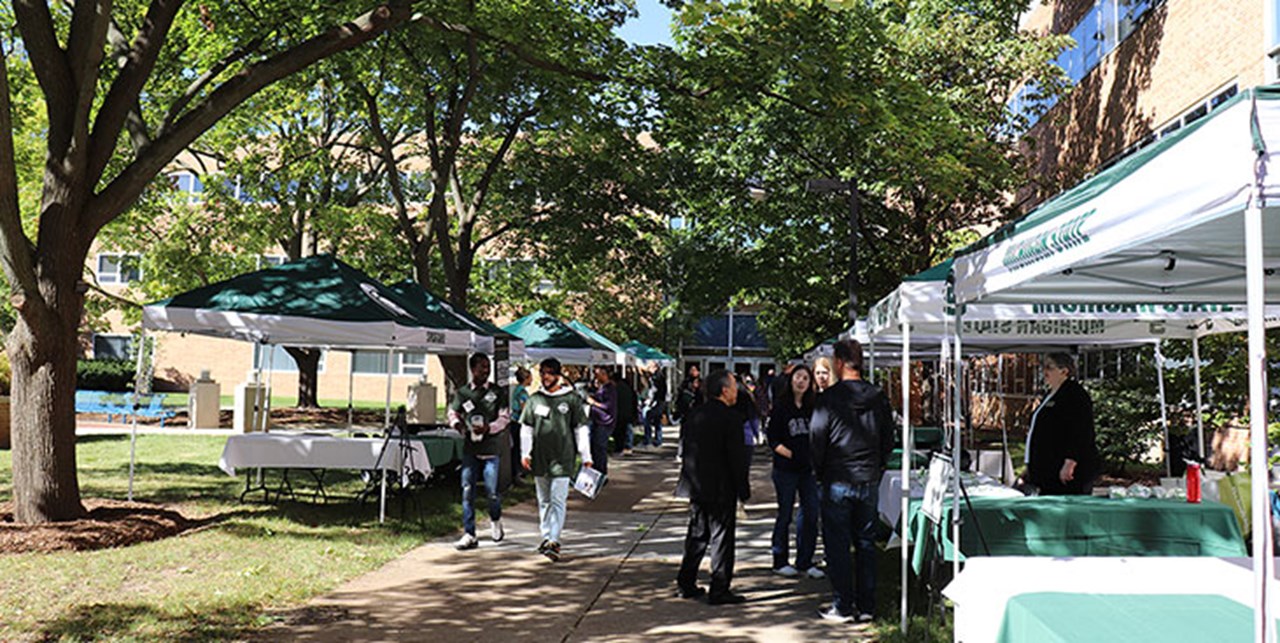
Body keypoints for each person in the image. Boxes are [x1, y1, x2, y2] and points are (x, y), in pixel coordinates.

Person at [810, 339, 894, 623]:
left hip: (837, 478)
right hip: (867, 477)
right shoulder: (878, 396)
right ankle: (867, 606)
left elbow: (816, 440)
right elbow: (889, 439)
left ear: (839, 362)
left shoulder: (828, 398)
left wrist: (819, 472)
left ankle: (843, 604)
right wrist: (878, 466)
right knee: (866, 543)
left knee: (838, 545)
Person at [676, 369, 751, 605]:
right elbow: (736, 457)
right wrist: (743, 488)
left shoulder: (694, 415)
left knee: (697, 534)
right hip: (721, 487)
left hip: (697, 484)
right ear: (724, 390)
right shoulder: (731, 419)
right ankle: (719, 588)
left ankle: (686, 582)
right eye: (734, 386)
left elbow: (685, 449)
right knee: (721, 537)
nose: (737, 390)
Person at [519, 358, 593, 562]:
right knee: (543, 500)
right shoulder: (535, 399)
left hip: (563, 458)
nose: (545, 376)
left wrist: (586, 456)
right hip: (540, 458)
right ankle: (545, 536)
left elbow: (581, 429)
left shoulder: (571, 399)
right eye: (542, 372)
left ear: (558, 375)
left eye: (550, 373)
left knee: (557, 499)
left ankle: (554, 540)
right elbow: (526, 428)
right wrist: (525, 453)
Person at [448, 354, 511, 550]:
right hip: (470, 450)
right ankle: (469, 533)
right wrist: (457, 424)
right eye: (482, 367)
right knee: (467, 491)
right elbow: (453, 412)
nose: (486, 370)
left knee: (492, 492)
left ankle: (495, 520)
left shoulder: (498, 392)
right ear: (473, 369)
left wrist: (489, 428)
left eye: (488, 367)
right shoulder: (463, 393)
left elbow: (505, 417)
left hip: (491, 450)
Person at [767, 365, 824, 580]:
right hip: (785, 470)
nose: (801, 382)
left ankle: (805, 560)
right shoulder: (782, 407)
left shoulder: (813, 407)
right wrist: (790, 454)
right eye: (798, 377)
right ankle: (779, 559)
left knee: (810, 513)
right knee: (785, 513)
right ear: (791, 380)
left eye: (805, 378)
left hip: (808, 470)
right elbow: (773, 439)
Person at [1024, 352, 1100, 496]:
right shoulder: (1051, 394)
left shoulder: (1075, 394)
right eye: (1043, 367)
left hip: (1066, 472)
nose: (1044, 371)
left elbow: (1081, 431)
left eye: (1049, 367)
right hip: (1048, 469)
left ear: (1064, 371)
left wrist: (1070, 463)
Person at [585, 365, 617, 475]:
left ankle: (601, 472)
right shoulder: (602, 387)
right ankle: (595, 471)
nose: (595, 377)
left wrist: (593, 402)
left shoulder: (610, 389)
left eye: (597, 374)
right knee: (594, 447)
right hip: (597, 420)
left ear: (604, 375)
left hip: (604, 422)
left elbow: (608, 406)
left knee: (599, 447)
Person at [510, 366, 533, 482]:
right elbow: (525, 408)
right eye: (530, 377)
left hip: (514, 421)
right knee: (519, 447)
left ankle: (517, 471)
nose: (532, 380)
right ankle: (518, 472)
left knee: (516, 447)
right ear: (526, 378)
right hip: (519, 422)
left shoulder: (517, 389)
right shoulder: (522, 392)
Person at [612, 371, 638, 456]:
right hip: (629, 413)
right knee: (627, 430)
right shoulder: (628, 387)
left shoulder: (615, 389)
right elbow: (635, 401)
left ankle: (619, 449)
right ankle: (628, 447)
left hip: (619, 413)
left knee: (619, 432)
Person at [641, 368, 667, 448]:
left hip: (655, 402)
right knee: (657, 422)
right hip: (658, 402)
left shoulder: (656, 378)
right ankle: (657, 440)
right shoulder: (659, 378)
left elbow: (655, 391)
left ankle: (648, 440)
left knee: (648, 420)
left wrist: (651, 401)